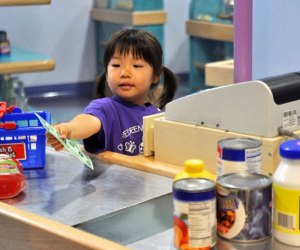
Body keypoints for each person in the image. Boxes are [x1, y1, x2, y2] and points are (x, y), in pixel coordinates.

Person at [47, 28, 178, 156]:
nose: (124, 73)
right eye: (116, 65)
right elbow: (88, 121)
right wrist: (68, 129)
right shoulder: (105, 108)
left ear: (156, 75)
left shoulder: (158, 117)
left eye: (136, 66)